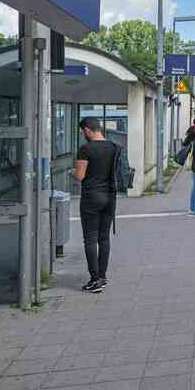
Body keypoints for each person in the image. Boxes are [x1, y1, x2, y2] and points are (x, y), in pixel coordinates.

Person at [73, 117, 117, 293]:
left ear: (87, 130)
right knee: (104, 238)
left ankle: (94, 279)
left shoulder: (86, 149)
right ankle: (103, 277)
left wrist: (72, 172)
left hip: (91, 197)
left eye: (83, 131)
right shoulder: (114, 147)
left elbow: (80, 176)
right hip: (110, 197)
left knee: (90, 239)